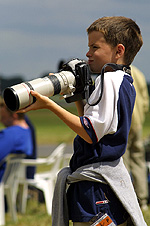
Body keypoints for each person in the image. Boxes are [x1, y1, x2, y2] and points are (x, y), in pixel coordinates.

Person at [17, 16, 147, 226]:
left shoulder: (109, 79)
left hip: (95, 186)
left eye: (95, 47)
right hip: (104, 182)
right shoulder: (124, 80)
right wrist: (78, 96)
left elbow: (90, 132)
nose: (88, 53)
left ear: (119, 51)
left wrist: (50, 105)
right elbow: (95, 124)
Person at [123, 65, 149, 210]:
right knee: (139, 161)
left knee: (123, 162)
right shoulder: (139, 72)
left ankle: (127, 198)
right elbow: (145, 102)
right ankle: (143, 200)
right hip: (138, 124)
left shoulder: (117, 72)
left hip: (125, 124)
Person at [0, 101, 33, 181]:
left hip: (3, 179)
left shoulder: (11, 134)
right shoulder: (26, 131)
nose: (1, 121)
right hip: (12, 180)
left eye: (3, 117)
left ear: (15, 115)